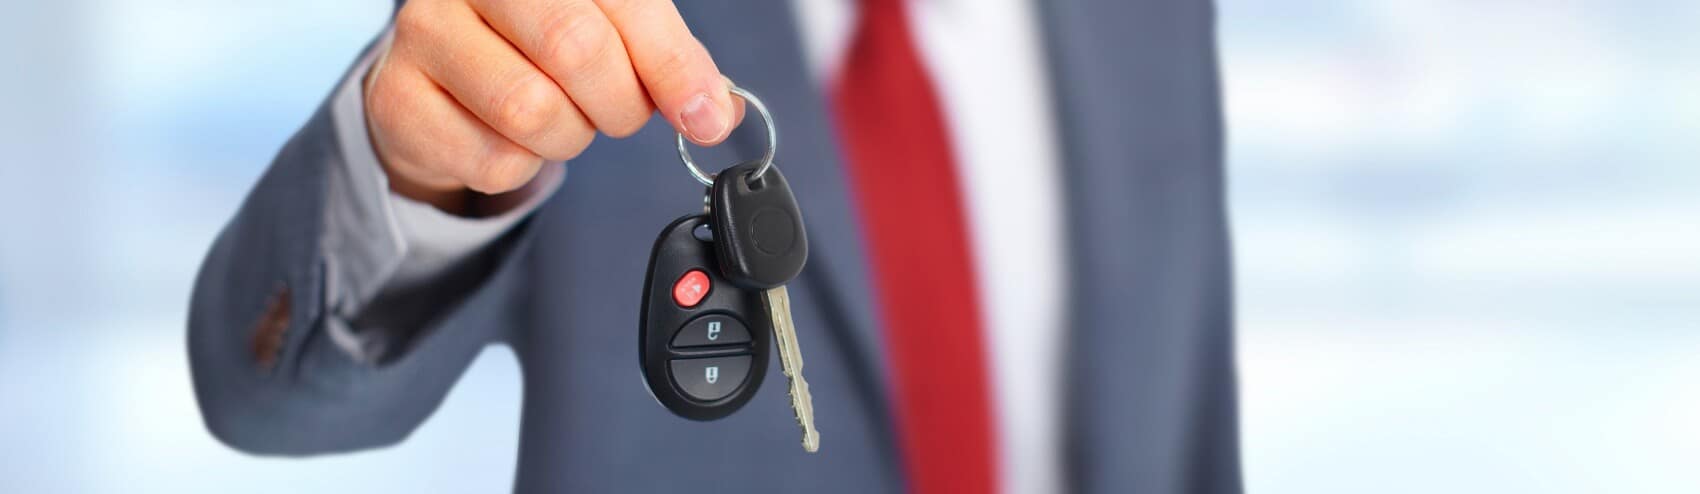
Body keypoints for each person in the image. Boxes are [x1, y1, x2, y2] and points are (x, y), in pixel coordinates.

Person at [187, 0, 1241, 492]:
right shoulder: (569, 16)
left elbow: (1187, 403)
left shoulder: (1143, 17)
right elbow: (263, 394)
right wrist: (412, 164)